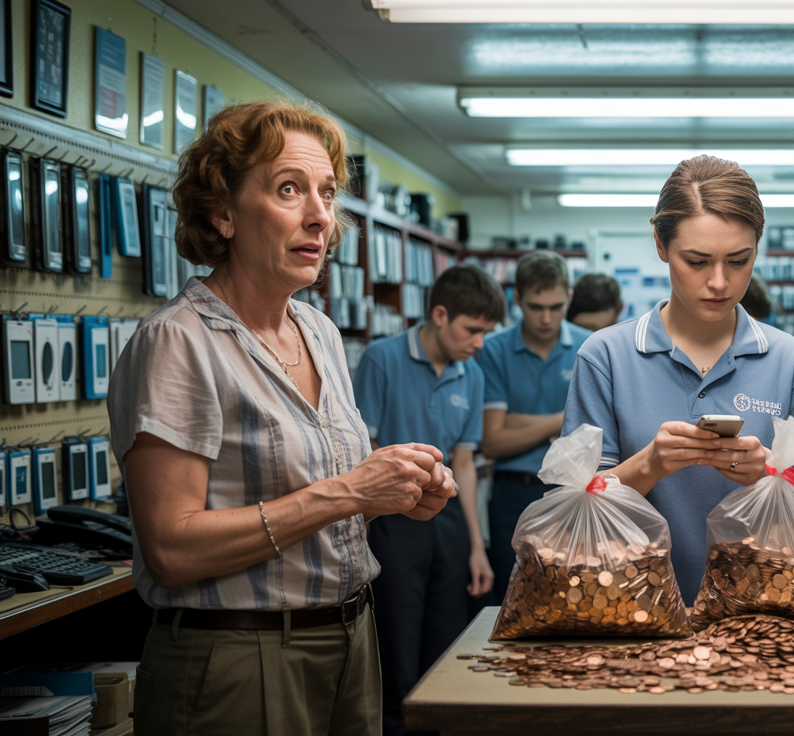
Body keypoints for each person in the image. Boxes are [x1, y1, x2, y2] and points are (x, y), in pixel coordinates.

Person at [107, 100, 456, 736]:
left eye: (326, 193)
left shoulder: (319, 331)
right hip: (241, 657)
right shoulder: (178, 341)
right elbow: (171, 548)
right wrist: (351, 490)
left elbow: (319, 497)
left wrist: (395, 490)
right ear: (223, 213)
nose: (320, 215)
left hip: (350, 639)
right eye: (289, 190)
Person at [562, 155, 794, 601]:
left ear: (757, 250)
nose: (720, 282)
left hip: (760, 608)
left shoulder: (789, 360)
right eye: (698, 261)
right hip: (627, 604)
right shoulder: (605, 357)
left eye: (739, 261)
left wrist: (767, 475)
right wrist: (649, 465)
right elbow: (572, 516)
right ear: (661, 246)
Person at [352, 264, 503, 736]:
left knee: (447, 642)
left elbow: (466, 464)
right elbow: (362, 455)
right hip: (393, 518)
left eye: (486, 331)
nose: (480, 342)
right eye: (472, 329)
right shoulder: (381, 359)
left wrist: (477, 547)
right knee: (398, 645)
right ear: (440, 314)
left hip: (450, 518)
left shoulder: (472, 374)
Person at [476, 250, 591, 599]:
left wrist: (517, 422)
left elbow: (594, 432)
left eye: (556, 307)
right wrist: (562, 417)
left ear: (569, 298)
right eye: (535, 307)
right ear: (517, 299)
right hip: (512, 494)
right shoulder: (491, 349)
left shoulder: (590, 346)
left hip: (571, 491)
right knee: (510, 597)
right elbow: (493, 441)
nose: (546, 317)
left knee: (571, 594)